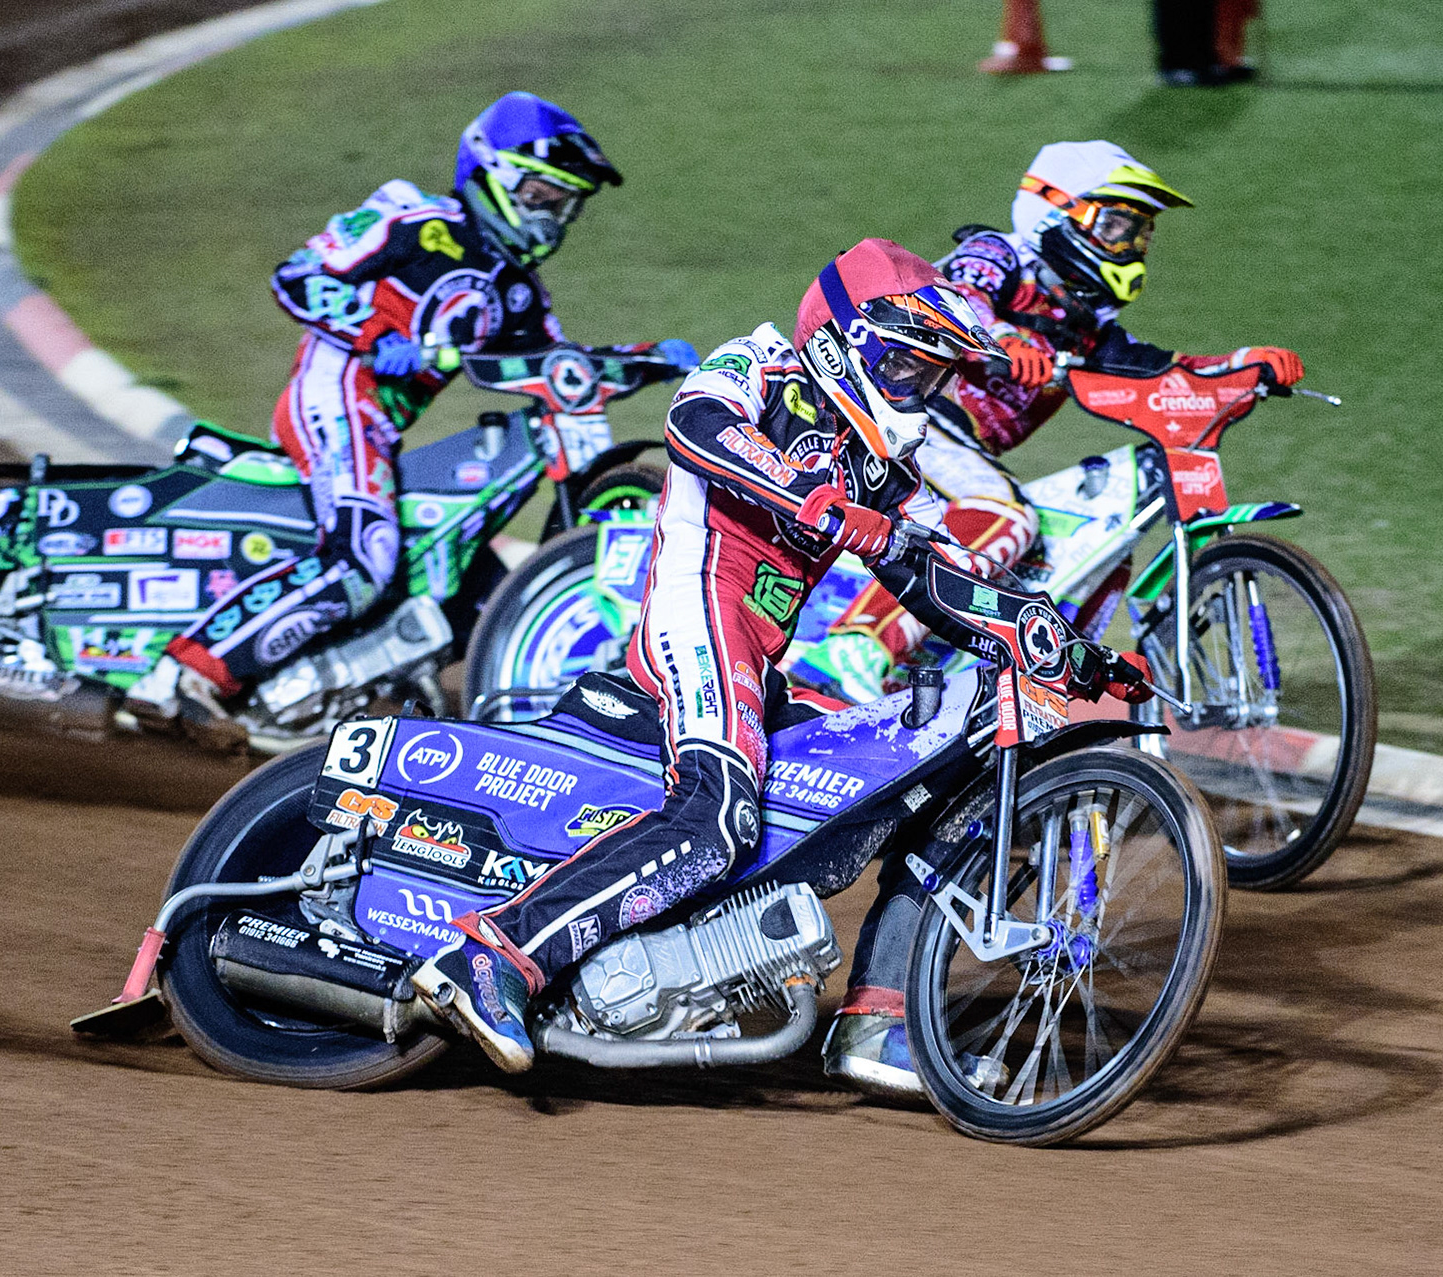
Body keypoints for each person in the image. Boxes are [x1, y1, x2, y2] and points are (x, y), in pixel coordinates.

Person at [410, 239, 1061, 1072]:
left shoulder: (878, 463)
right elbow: (695, 428)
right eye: (910, 369)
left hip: (759, 658)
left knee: (935, 766)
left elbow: (933, 580)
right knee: (720, 818)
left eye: (934, 378)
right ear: (849, 340)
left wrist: (1055, 642)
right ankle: (492, 954)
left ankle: (876, 1017)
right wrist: (825, 507)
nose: (922, 393)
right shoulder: (760, 363)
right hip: (696, 612)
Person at [809, 140, 1302, 1099]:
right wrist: (995, 333)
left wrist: (1236, 370)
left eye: (1141, 227)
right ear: (1054, 211)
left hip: (933, 449)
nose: (1133, 242)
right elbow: (950, 294)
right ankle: (856, 643)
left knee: (1038, 564)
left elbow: (1148, 372)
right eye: (1119, 221)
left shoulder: (1088, 309)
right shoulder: (1001, 257)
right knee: (1006, 520)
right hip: (906, 424)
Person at [126, 92, 698, 749]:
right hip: (339, 387)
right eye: (545, 195)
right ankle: (183, 673)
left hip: (383, 425)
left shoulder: (515, 291)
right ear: (497, 174)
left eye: (568, 205)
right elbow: (298, 276)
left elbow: (546, 365)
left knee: (473, 593)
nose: (556, 218)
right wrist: (372, 336)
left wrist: (643, 360)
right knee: (364, 554)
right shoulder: (413, 217)